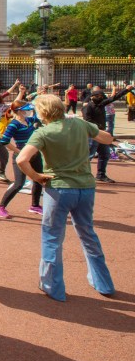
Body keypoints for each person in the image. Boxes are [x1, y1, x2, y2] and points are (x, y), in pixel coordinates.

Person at [15, 94, 115, 302]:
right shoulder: (79, 124)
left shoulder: (42, 133)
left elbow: (21, 159)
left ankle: (53, 286)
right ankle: (103, 282)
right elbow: (107, 138)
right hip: (85, 187)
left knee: (52, 237)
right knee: (88, 233)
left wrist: (36, 177)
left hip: (58, 189)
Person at [0, 99, 44, 219]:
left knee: (39, 179)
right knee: (19, 183)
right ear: (19, 111)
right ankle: (1, 207)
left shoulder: (29, 120)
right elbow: (4, 141)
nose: (28, 111)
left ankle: (35, 205)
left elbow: (41, 119)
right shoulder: (13, 124)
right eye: (26, 110)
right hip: (21, 157)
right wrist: (20, 152)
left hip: (35, 155)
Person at [82, 85, 133, 183]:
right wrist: (99, 126)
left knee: (105, 154)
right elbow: (87, 120)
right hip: (93, 134)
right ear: (92, 97)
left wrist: (126, 90)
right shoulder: (88, 107)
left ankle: (101, 174)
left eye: (101, 96)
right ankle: (82, 174)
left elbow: (114, 98)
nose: (100, 98)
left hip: (102, 134)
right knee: (89, 155)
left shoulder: (101, 105)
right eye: (98, 96)